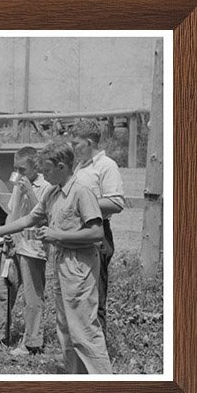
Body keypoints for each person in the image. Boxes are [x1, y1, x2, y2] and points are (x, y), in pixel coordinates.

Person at [0, 140, 112, 375]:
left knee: (84, 330)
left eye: (47, 170)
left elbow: (96, 233)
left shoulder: (81, 191)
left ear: (62, 167)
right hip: (62, 265)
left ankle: (103, 384)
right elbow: (27, 220)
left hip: (80, 267)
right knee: (66, 329)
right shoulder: (52, 192)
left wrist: (56, 234)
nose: (44, 174)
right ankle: (77, 380)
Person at [70, 118, 126, 334]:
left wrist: (80, 203)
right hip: (77, 234)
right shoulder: (80, 166)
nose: (73, 148)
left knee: (95, 296)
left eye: (77, 143)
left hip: (97, 235)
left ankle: (99, 353)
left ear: (90, 142)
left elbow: (116, 203)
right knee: (79, 293)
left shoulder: (106, 166)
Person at [0, 146, 47, 355]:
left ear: (36, 166)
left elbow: (44, 215)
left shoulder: (45, 186)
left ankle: (32, 342)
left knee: (32, 297)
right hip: (14, 243)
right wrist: (6, 233)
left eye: (23, 169)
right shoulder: (17, 185)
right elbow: (12, 212)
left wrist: (30, 192)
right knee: (3, 288)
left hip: (33, 248)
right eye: (16, 169)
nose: (19, 174)